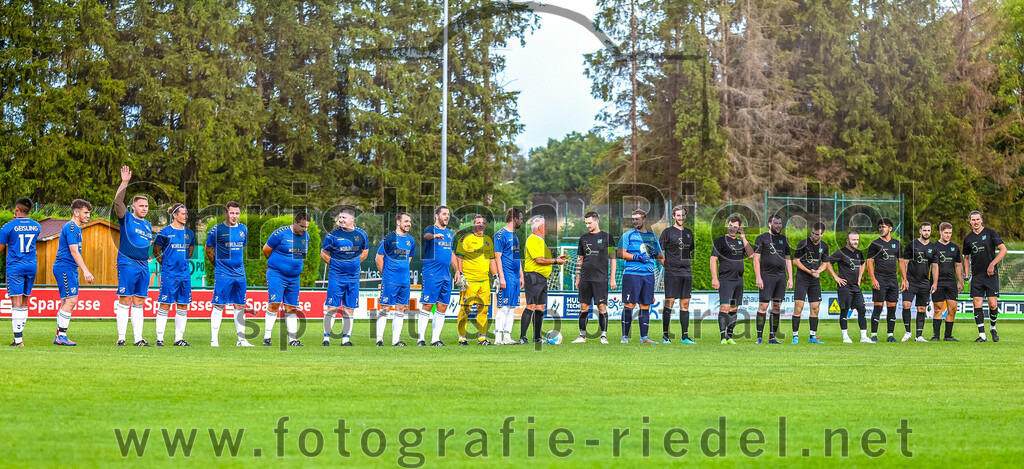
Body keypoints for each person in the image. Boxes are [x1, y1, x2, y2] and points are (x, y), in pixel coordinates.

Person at [112, 166, 153, 346]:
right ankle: (121, 337)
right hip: (127, 262)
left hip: (143, 265)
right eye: (141, 206)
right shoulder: (127, 218)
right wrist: (125, 182)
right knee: (125, 298)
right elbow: (117, 204)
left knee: (139, 300)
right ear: (133, 207)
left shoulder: (148, 225)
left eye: (146, 206)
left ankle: (138, 339)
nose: (144, 209)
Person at [206, 201, 254, 347]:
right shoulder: (217, 229)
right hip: (223, 273)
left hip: (240, 273)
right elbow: (208, 250)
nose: (234, 216)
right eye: (232, 213)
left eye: (237, 213)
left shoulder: (243, 229)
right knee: (219, 305)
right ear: (226, 213)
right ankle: (214, 340)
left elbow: (240, 248)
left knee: (239, 305)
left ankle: (242, 340)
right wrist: (219, 266)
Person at [320, 207, 368, 346]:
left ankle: (345, 340)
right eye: (339, 218)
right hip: (336, 276)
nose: (340, 220)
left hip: (353, 277)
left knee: (349, 308)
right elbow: (323, 253)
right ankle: (326, 339)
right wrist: (335, 264)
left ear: (352, 219)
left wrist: (353, 263)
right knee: (332, 307)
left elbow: (365, 252)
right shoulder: (332, 235)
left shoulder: (361, 234)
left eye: (343, 218)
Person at [51, 199, 96, 346]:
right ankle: (61, 336)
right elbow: (74, 251)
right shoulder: (71, 228)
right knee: (71, 301)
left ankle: (60, 335)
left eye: (89, 213)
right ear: (76, 212)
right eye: (85, 212)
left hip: (68, 268)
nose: (88, 215)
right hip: (65, 267)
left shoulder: (77, 228)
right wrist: (85, 270)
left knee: (67, 301)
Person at [262, 212, 311, 347]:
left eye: (307, 227)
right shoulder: (280, 233)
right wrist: (276, 264)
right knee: (274, 304)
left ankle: (293, 339)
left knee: (292, 307)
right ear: (295, 222)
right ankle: (267, 338)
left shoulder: (306, 236)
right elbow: (266, 249)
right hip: (276, 274)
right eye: (302, 226)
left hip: (294, 278)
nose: (304, 230)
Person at [616, 209, 664, 344]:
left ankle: (644, 337)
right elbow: (620, 254)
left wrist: (657, 254)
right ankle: (625, 337)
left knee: (645, 305)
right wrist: (637, 257)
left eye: (637, 219)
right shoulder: (628, 235)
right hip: (632, 274)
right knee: (629, 304)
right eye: (633, 219)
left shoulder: (652, 237)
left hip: (648, 275)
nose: (635, 221)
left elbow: (660, 256)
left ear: (644, 220)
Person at [153, 203, 197, 346]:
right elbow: (156, 251)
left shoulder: (189, 234)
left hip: (184, 275)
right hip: (169, 275)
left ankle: (179, 339)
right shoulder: (164, 232)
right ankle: (160, 339)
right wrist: (166, 264)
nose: (185, 216)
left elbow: (189, 252)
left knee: (183, 306)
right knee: (165, 305)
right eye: (183, 214)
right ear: (175, 215)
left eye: (186, 214)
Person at [0, 198, 42, 347]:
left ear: (16, 209)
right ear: (29, 210)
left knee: (16, 302)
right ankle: (19, 337)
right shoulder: (36, 226)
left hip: (15, 266)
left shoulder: (8, 227)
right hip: (31, 265)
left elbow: (1, 248)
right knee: (25, 300)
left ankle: (18, 340)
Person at [962, 210, 1007, 342]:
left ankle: (993, 327)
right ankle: (982, 335)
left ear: (981, 220)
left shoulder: (990, 233)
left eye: (977, 219)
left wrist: (992, 264)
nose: (975, 222)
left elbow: (1003, 250)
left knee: (993, 304)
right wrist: (966, 274)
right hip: (977, 276)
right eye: (973, 220)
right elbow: (965, 257)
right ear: (970, 221)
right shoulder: (968, 239)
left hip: (991, 275)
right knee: (977, 303)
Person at [572, 211, 617, 344]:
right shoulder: (583, 238)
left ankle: (603, 336)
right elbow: (580, 259)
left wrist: (612, 278)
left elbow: (613, 259)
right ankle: (582, 336)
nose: (587, 225)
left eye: (589, 223)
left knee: (601, 306)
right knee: (584, 306)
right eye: (586, 223)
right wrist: (577, 278)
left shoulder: (607, 238)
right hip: (585, 278)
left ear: (597, 221)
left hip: (600, 278)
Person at [522, 216, 567, 343]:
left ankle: (537, 338)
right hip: (533, 277)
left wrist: (556, 258)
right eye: (546, 226)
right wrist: (556, 261)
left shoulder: (540, 241)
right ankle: (522, 337)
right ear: (540, 228)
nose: (547, 229)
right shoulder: (533, 240)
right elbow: (539, 260)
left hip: (541, 278)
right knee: (531, 305)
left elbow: (544, 258)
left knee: (540, 307)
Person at [710, 216, 753, 344]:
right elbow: (713, 259)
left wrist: (743, 238)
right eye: (730, 225)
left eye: (734, 226)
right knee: (724, 307)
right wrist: (714, 278)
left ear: (739, 228)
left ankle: (729, 337)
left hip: (739, 280)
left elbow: (751, 255)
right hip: (725, 279)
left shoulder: (741, 242)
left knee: (734, 308)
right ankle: (723, 337)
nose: (731, 228)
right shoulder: (720, 241)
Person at [374, 212, 415, 346]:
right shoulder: (389, 239)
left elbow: (409, 258)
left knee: (401, 308)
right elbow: (379, 258)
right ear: (398, 222)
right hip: (390, 279)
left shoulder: (411, 240)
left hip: (404, 280)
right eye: (406, 221)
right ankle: (379, 339)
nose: (408, 224)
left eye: (409, 221)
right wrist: (385, 274)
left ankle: (395, 340)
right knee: (385, 308)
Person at [455, 214, 496, 345]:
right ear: (473, 224)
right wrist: (460, 275)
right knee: (465, 309)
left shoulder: (488, 240)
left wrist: (495, 276)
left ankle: (482, 338)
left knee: (484, 309)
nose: (479, 224)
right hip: (469, 281)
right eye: (477, 222)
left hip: (484, 281)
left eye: (482, 222)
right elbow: (459, 258)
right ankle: (462, 338)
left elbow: (491, 260)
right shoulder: (465, 238)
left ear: (485, 225)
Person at [753, 215, 793, 344]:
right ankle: (759, 337)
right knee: (763, 306)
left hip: (780, 277)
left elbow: (788, 260)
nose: (778, 226)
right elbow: (756, 259)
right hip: (766, 277)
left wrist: (790, 278)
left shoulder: (784, 239)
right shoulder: (762, 238)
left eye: (780, 224)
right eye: (776, 223)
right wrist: (758, 277)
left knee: (776, 306)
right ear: (769, 224)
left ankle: (772, 337)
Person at [418, 206, 456, 346]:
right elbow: (426, 237)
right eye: (444, 214)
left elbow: (451, 254)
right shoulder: (430, 229)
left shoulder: (450, 233)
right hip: (432, 273)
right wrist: (435, 236)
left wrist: (457, 271)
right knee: (428, 305)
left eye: (448, 214)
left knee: (442, 306)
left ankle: (435, 339)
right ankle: (420, 339)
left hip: (446, 275)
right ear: (437, 216)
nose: (447, 217)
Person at [657, 205, 693, 344]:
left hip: (686, 273)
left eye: (683, 215)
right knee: (669, 302)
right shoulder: (667, 232)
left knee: (685, 304)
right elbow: (660, 255)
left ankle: (685, 337)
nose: (681, 218)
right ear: (673, 216)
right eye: (678, 215)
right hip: (672, 273)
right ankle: (665, 336)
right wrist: (670, 267)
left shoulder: (689, 233)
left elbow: (689, 252)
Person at [792, 222, 829, 344]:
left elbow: (825, 263)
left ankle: (812, 337)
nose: (814, 236)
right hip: (802, 279)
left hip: (814, 280)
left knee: (815, 308)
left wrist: (818, 271)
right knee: (799, 307)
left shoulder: (824, 246)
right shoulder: (803, 243)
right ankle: (795, 336)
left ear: (822, 234)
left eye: (817, 234)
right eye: (813, 233)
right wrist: (809, 271)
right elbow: (796, 261)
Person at [866, 218, 902, 342]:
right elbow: (869, 262)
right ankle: (873, 335)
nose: (881, 229)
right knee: (878, 307)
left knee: (892, 308)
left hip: (893, 280)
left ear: (890, 228)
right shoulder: (875, 244)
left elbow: (901, 262)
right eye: (880, 227)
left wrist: (904, 279)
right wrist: (873, 279)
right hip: (880, 279)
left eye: (884, 227)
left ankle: (890, 335)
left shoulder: (897, 244)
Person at [493, 208, 525, 345]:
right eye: (521, 219)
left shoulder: (516, 236)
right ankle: (497, 338)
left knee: (512, 308)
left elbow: (517, 258)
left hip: (515, 278)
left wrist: (521, 276)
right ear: (515, 219)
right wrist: (501, 277)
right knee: (504, 307)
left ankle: (507, 337)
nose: (522, 222)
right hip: (506, 277)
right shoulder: (500, 235)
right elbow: (497, 258)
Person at [829, 231, 867, 343]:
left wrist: (860, 277)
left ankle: (864, 337)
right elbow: (827, 262)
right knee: (844, 310)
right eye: (853, 240)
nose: (856, 242)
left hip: (856, 287)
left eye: (857, 240)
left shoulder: (858, 253)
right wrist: (836, 277)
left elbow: (863, 263)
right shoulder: (841, 253)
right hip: (844, 287)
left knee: (862, 310)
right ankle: (845, 336)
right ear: (847, 240)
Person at [899, 222, 934, 342]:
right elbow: (904, 263)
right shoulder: (912, 245)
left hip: (925, 282)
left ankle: (919, 335)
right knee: (906, 305)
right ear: (920, 231)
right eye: (924, 230)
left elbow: (934, 266)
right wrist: (904, 280)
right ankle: (908, 332)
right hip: (911, 281)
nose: (926, 233)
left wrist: (933, 282)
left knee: (922, 309)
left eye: (928, 230)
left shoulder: (933, 247)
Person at [930, 222, 964, 342]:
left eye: (950, 233)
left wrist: (961, 281)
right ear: (940, 232)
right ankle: (936, 336)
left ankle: (948, 336)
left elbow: (958, 265)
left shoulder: (954, 248)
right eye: (946, 233)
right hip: (937, 282)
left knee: (952, 309)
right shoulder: (933, 247)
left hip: (951, 282)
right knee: (938, 308)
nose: (948, 235)